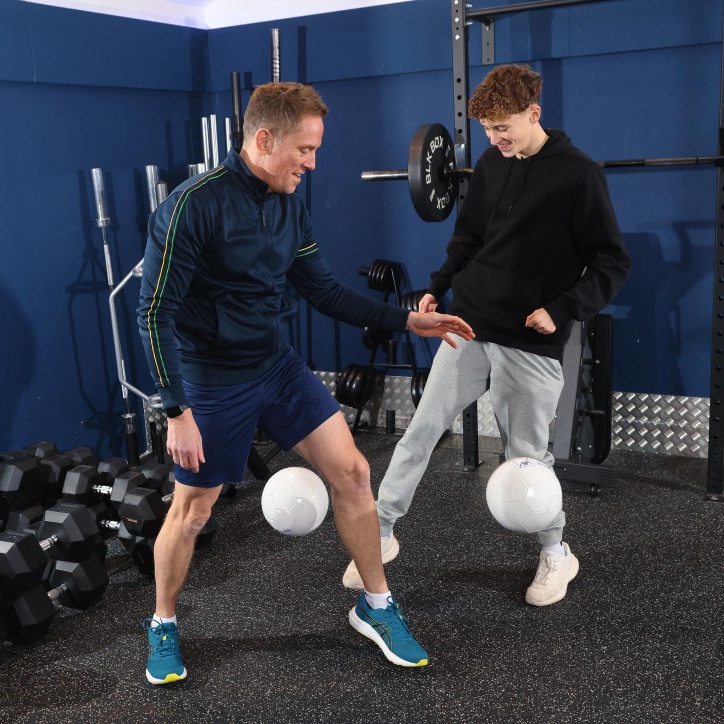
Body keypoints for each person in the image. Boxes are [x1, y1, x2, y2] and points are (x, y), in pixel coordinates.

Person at [136, 81, 475, 684]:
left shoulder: (289, 203)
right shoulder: (192, 207)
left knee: (353, 473)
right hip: (213, 381)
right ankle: (163, 624)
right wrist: (176, 410)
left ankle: (376, 607)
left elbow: (321, 289)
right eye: (305, 150)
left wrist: (407, 320)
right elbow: (154, 312)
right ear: (264, 140)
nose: (313, 164)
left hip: (277, 366)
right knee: (192, 511)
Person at [341, 64, 631, 606]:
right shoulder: (494, 167)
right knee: (421, 429)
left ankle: (555, 552)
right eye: (488, 130)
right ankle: (379, 534)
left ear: (534, 114)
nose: (495, 140)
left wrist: (564, 308)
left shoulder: (578, 175)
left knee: (526, 459)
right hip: (470, 324)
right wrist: (437, 288)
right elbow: (468, 237)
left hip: (530, 338)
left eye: (504, 128)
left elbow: (613, 263)